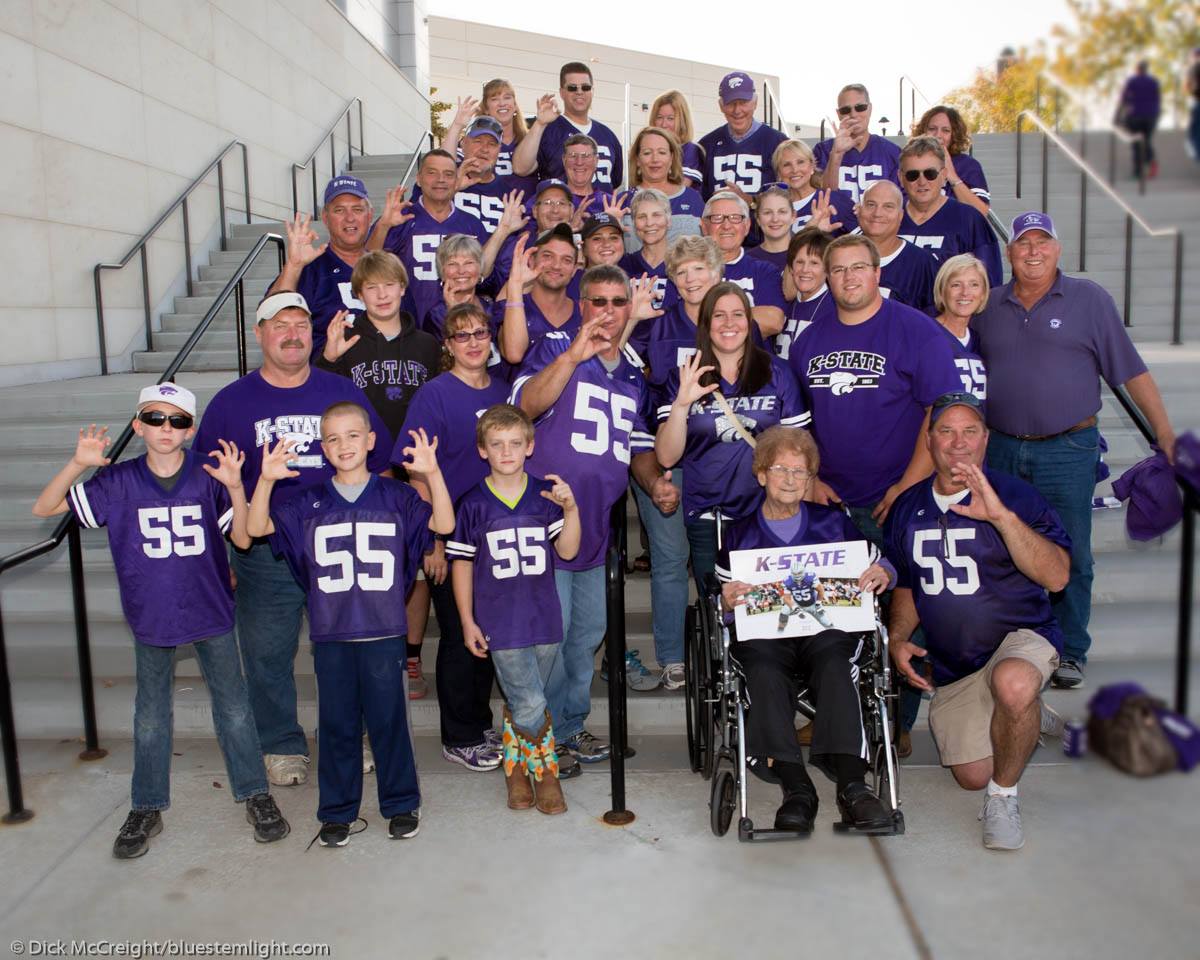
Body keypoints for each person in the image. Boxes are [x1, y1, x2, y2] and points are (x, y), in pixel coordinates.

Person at [33, 383, 291, 859]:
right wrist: (77, 465)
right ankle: (147, 805)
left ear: (190, 429)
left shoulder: (208, 476)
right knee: (150, 717)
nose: (165, 428)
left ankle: (255, 794)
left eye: (175, 420)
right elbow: (45, 508)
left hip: (211, 609)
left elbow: (242, 538)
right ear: (138, 426)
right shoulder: (118, 482)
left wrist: (236, 485)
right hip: (151, 614)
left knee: (234, 709)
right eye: (154, 419)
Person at [192, 292, 392, 787]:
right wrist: (226, 551)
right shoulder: (231, 402)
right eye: (279, 325)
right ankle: (280, 743)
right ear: (259, 334)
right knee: (267, 652)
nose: (292, 333)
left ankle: (348, 734)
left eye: (301, 324)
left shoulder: (339, 391)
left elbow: (381, 461)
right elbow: (208, 485)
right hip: (263, 548)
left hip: (339, 542)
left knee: (348, 647)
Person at [972, 212, 1176, 689]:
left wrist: (1164, 433)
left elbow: (1131, 372)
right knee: (1003, 548)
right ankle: (1010, 642)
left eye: (1043, 242)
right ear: (1010, 252)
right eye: (1024, 244)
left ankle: (1069, 649)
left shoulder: (1089, 300)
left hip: (1067, 448)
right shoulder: (990, 304)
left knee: (1071, 551)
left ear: (1058, 249)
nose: (1033, 251)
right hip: (1000, 447)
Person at [246, 404, 453, 847]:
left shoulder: (398, 497)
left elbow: (445, 523)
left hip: (383, 630)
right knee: (337, 725)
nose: (344, 445)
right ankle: (337, 811)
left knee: (389, 722)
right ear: (323, 448)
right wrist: (265, 479)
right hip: (332, 631)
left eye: (353, 435)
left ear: (371, 440)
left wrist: (433, 474)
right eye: (334, 439)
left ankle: (400, 803)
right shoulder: (306, 501)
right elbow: (256, 527)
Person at [885, 392, 1072, 850]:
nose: (958, 443)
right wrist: (897, 637)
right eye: (946, 431)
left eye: (970, 431)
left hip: (1020, 636)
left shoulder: (1016, 496)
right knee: (971, 775)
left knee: (1012, 682)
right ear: (929, 441)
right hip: (958, 662)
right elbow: (909, 584)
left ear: (986, 440)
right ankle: (1027, 714)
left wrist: (1002, 518)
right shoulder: (908, 507)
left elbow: (1058, 576)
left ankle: (1004, 797)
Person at [717, 426, 895, 834]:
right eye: (781, 469)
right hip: (767, 637)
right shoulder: (740, 535)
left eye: (801, 472)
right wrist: (727, 601)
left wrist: (881, 572)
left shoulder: (834, 524)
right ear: (761, 474)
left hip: (825, 631)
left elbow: (881, 563)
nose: (791, 479)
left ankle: (853, 785)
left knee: (836, 659)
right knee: (760, 666)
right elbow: (723, 604)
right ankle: (797, 788)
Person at [513, 265, 656, 763]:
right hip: (548, 524)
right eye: (599, 301)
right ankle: (537, 735)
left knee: (585, 638)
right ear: (581, 305)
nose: (609, 311)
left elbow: (634, 446)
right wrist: (574, 354)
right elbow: (524, 408)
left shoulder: (633, 373)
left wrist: (656, 481)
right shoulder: (556, 348)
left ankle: (570, 727)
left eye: (620, 302)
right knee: (549, 638)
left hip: (598, 527)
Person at [399, 302, 515, 770]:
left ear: (491, 339)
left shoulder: (506, 391)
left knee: (486, 631)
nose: (472, 342)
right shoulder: (434, 394)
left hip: (497, 533)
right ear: (447, 345)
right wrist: (433, 540)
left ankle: (479, 719)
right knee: (456, 634)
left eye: (480, 333)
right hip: (453, 534)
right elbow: (415, 470)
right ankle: (459, 734)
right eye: (461, 335)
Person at [450, 404, 581, 813]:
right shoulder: (473, 503)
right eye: (497, 444)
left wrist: (571, 509)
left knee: (529, 696)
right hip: (499, 619)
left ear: (529, 446)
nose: (506, 451)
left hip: (543, 613)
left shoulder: (544, 496)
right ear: (483, 450)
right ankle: (545, 774)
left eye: (514, 443)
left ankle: (515, 765)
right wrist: (467, 619)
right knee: (530, 701)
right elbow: (462, 563)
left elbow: (569, 549)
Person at [787, 235, 962, 543]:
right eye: (838, 269)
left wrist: (908, 486)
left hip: (899, 497)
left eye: (858, 267)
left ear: (877, 273)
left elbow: (942, 415)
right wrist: (811, 479)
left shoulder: (918, 331)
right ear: (827, 277)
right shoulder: (806, 342)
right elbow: (799, 425)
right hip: (831, 500)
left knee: (903, 590)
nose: (849, 277)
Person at [655, 282, 809, 590]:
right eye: (719, 315)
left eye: (738, 314)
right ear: (706, 324)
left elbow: (799, 447)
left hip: (770, 510)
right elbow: (667, 457)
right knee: (718, 605)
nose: (729, 324)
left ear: (749, 321)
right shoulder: (684, 376)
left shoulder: (776, 372)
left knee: (771, 601)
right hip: (709, 514)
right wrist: (682, 404)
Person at [370, 150, 514, 329]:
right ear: (418, 178)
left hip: (460, 331)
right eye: (432, 172)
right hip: (409, 331)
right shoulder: (399, 218)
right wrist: (383, 226)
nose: (440, 179)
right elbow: (369, 263)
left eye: (448, 174)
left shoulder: (472, 224)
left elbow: (484, 274)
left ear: (456, 181)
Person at [314, 251, 440, 438]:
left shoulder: (427, 343)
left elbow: (435, 406)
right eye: (371, 287)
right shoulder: (345, 341)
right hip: (363, 455)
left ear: (402, 288)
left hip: (414, 451)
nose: (382, 295)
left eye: (389, 285)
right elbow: (320, 398)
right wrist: (328, 359)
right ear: (359, 294)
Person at [268, 176, 374, 358]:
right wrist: (294, 265)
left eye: (357, 209)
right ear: (325, 218)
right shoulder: (311, 269)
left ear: (369, 216)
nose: (350, 218)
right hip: (327, 378)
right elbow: (271, 315)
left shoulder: (384, 266)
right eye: (339, 210)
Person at [898, 137, 1003, 286]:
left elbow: (989, 283)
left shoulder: (969, 220)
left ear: (943, 175)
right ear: (901, 178)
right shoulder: (887, 218)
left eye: (930, 174)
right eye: (912, 175)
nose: (922, 182)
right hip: (899, 308)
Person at [514, 62, 623, 190]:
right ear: (562, 92)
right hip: (560, 209)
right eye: (572, 88)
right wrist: (539, 124)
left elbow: (615, 182)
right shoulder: (548, 130)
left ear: (592, 91)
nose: (579, 92)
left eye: (585, 87)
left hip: (601, 209)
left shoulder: (608, 136)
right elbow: (520, 168)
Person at [701, 191, 786, 336]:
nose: (726, 225)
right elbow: (681, 320)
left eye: (735, 218)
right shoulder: (689, 269)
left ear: (746, 226)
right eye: (717, 218)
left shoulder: (763, 270)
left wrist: (707, 315)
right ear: (704, 226)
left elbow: (773, 321)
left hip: (753, 357)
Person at [498, 224, 583, 366]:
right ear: (531, 260)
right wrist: (515, 285)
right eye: (548, 256)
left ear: (574, 269)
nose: (556, 266)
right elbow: (514, 354)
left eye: (566, 260)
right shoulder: (511, 305)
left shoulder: (584, 311)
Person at [698, 72, 788, 201]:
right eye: (731, 103)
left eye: (743, 102)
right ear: (721, 106)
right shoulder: (707, 144)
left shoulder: (778, 142)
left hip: (763, 221)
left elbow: (788, 196)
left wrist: (750, 200)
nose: (737, 110)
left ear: (755, 103)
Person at [441, 79, 536, 194]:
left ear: (515, 105)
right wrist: (457, 125)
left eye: (507, 97)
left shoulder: (531, 142)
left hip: (524, 206)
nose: (502, 103)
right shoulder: (473, 144)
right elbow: (443, 164)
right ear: (486, 108)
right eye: (494, 99)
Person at [858, 179, 938, 314]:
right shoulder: (839, 255)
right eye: (871, 205)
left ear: (900, 216)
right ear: (859, 210)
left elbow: (934, 321)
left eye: (888, 206)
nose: (877, 213)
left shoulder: (923, 263)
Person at [813, 84, 901, 202]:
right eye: (845, 110)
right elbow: (822, 197)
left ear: (870, 109)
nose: (853, 114)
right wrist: (836, 155)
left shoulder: (892, 152)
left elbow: (899, 201)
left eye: (860, 107)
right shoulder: (822, 151)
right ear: (838, 114)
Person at [624, 127, 705, 246]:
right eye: (647, 153)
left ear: (672, 158)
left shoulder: (692, 198)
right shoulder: (624, 200)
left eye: (662, 152)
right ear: (637, 159)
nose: (655, 159)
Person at [912, 105, 990, 215]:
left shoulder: (968, 165)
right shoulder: (909, 163)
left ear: (954, 135)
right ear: (922, 131)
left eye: (946, 130)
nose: (938, 135)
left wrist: (952, 176)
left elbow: (981, 213)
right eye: (932, 129)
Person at [932, 254, 989, 401]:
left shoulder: (979, 340)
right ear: (942, 291)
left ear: (983, 293)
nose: (965, 293)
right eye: (956, 284)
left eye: (974, 284)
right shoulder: (926, 335)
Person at [772, 140, 858, 235]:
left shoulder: (834, 200)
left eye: (800, 162)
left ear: (812, 166)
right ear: (779, 173)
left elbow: (865, 241)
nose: (795, 170)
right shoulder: (773, 208)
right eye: (786, 165)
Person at [775, 228, 837, 361]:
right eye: (800, 262)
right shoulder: (780, 302)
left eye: (814, 263)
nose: (805, 270)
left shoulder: (836, 308)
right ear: (791, 267)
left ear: (827, 268)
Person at [450, 116, 515, 234]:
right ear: (463, 143)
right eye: (478, 141)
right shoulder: (443, 183)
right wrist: (453, 187)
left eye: (492, 144)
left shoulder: (509, 195)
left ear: (499, 150)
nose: (484, 149)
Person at [620, 188, 673, 309]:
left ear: (669, 220)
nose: (649, 223)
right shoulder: (624, 265)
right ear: (634, 223)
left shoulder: (684, 262)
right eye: (642, 217)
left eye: (656, 215)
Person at [649, 90, 704, 189]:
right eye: (659, 117)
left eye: (670, 118)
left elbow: (679, 189)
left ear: (682, 120)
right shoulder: (646, 151)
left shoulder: (690, 150)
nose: (663, 124)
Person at [1116, 61, 1162, 179]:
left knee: (1136, 143)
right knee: (1146, 140)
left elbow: (1123, 99)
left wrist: (1117, 116)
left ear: (1136, 69)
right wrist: (1157, 115)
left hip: (1135, 115)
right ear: (1146, 69)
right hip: (1151, 116)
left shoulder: (1132, 81)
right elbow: (1158, 99)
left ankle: (1137, 171)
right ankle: (1151, 161)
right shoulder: (1153, 82)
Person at [746, 184, 796, 270]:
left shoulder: (807, 256)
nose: (775, 219)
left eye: (782, 212)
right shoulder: (747, 260)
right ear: (758, 218)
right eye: (767, 212)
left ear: (793, 216)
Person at [1187, 48, 1200, 163]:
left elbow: (1188, 87)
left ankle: (1197, 154)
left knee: (1194, 131)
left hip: (1198, 102)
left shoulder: (1193, 67)